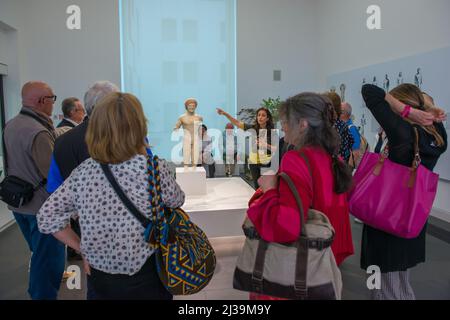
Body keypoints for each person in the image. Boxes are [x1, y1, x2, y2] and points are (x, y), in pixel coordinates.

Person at [38, 92, 183, 300]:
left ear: (96, 128)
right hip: (149, 272)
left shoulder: (83, 172)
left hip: (101, 277)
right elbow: (177, 200)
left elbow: (47, 217)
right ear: (139, 127)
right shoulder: (153, 168)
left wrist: (81, 248)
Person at [247, 93, 354, 300]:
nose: (283, 126)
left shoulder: (296, 159)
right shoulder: (332, 157)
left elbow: (286, 226)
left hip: (297, 265)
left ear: (303, 124)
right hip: (323, 259)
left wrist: (269, 190)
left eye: (286, 121)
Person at [361, 83, 447, 300]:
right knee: (400, 279)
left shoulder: (402, 133)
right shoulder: (438, 138)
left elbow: (369, 91)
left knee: (381, 282)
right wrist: (426, 110)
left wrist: (404, 110)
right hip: (411, 217)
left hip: (385, 216)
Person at [46, 81, 119, 289]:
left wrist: (79, 244)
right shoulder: (130, 140)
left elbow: (53, 191)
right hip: (133, 238)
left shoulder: (62, 142)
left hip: (87, 233)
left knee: (98, 287)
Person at [3, 81, 65, 300]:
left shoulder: (11, 125)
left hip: (18, 203)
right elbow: (52, 175)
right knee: (47, 261)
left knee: (38, 255)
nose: (53, 104)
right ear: (41, 101)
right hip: (41, 207)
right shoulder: (38, 131)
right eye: (52, 99)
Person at [216, 107, 278, 188]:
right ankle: (258, 201)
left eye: (263, 115)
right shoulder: (253, 128)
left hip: (266, 163)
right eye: (259, 115)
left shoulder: (272, 132)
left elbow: (276, 149)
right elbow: (237, 123)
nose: (260, 117)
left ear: (267, 118)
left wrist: (265, 145)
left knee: (266, 187)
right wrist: (225, 114)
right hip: (253, 162)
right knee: (257, 186)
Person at [174, 98, 203, 168]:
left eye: (193, 105)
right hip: (186, 137)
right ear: (186, 107)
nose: (192, 107)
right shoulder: (182, 117)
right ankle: (186, 166)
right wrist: (176, 129)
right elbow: (176, 126)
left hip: (195, 137)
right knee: (186, 152)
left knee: (195, 153)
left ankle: (194, 166)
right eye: (190, 105)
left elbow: (200, 128)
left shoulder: (199, 117)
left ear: (195, 106)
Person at [325, 92, 354, 162]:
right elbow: (351, 142)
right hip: (340, 167)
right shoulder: (343, 125)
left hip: (330, 167)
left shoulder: (328, 126)